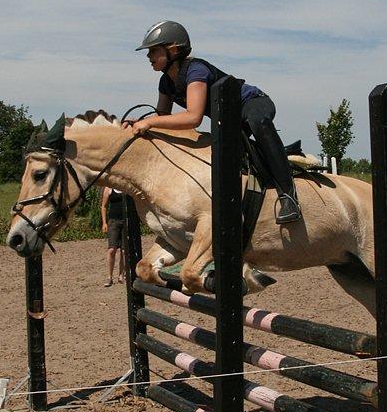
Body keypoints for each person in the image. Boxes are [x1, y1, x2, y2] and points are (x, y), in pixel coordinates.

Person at [130, 20, 301, 223]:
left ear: (173, 50)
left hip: (252, 104)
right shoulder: (165, 82)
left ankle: (288, 195)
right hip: (227, 120)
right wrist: (138, 123)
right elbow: (162, 118)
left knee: (258, 121)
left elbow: (193, 117)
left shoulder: (196, 70)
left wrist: (150, 123)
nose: (148, 57)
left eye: (153, 51)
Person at [100, 186, 125, 286]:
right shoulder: (108, 189)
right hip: (113, 221)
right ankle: (109, 277)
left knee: (124, 251)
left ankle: (121, 275)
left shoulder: (125, 187)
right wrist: (104, 223)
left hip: (125, 222)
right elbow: (104, 206)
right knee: (112, 250)